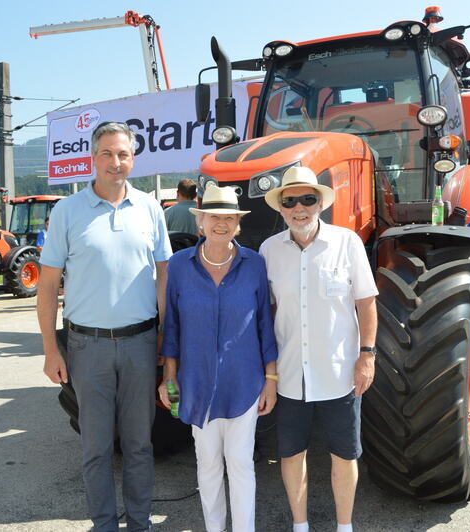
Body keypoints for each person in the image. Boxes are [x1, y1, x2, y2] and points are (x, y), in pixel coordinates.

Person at [37, 121, 172, 532]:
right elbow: (46, 287)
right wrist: (50, 349)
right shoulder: (67, 211)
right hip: (86, 347)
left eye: (124, 154)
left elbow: (164, 275)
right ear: (93, 158)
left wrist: (166, 336)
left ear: (133, 158)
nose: (116, 162)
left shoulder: (150, 208)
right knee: (95, 448)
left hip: (141, 344)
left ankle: (140, 522)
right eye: (108, 154)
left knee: (139, 445)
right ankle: (103, 524)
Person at [258, 166, 378, 532]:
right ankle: (300, 525)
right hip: (291, 374)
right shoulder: (268, 251)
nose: (299, 208)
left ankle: (345, 526)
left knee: (344, 454)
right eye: (290, 200)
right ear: (280, 207)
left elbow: (366, 304)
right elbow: (265, 313)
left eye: (307, 199)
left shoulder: (347, 242)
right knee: (291, 454)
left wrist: (367, 356)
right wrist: (268, 374)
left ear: (319, 204)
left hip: (340, 372)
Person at [159, 185, 278, 532]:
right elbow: (173, 327)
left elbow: (264, 326)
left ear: (238, 224)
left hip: (245, 382)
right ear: (201, 222)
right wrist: (170, 375)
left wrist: (271, 379)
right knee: (207, 464)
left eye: (229, 218)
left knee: (241, 464)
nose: (221, 224)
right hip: (196, 383)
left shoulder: (254, 263)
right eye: (214, 217)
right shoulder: (181, 265)